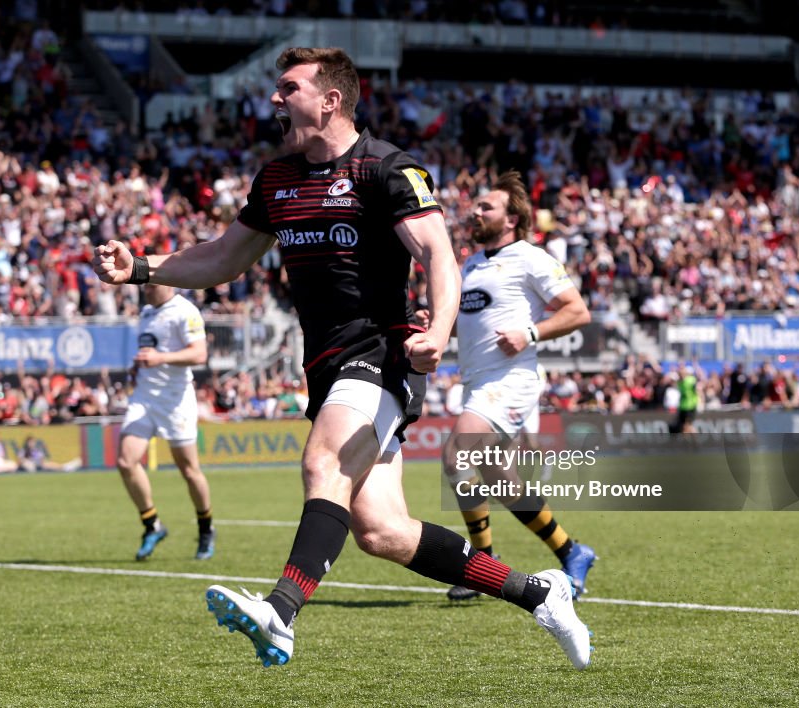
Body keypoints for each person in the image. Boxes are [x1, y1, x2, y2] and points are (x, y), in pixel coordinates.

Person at [93, 47, 591, 670]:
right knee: (382, 531)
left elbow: (438, 253)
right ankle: (538, 592)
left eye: (288, 88)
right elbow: (223, 257)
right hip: (326, 364)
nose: (275, 99)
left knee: (322, 460)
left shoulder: (386, 169)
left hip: (382, 351)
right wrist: (142, 268)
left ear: (330, 100)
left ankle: (280, 612)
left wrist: (437, 331)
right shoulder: (276, 178)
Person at [436, 171, 597, 601]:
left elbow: (577, 312)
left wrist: (530, 332)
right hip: (478, 384)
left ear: (511, 219)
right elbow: (472, 326)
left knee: (455, 457)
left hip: (511, 381)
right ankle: (572, 550)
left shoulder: (530, 257)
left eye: (486, 206)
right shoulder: (471, 263)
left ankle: (481, 567)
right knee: (498, 479)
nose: (475, 210)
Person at [117, 283, 215, 562]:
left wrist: (160, 358)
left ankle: (206, 528)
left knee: (189, 470)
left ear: (168, 282)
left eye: (151, 282)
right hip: (144, 397)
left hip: (175, 400)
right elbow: (151, 349)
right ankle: (152, 525)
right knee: (126, 461)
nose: (145, 287)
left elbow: (199, 354)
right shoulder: (147, 313)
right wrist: (137, 367)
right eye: (143, 282)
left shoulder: (186, 311)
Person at [18, 435, 82, 472]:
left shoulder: (36, 450)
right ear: (27, 443)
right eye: (30, 442)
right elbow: (20, 460)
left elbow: (41, 459)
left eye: (33, 442)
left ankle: (65, 467)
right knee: (29, 464)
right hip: (30, 466)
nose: (31, 444)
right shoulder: (23, 450)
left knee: (47, 464)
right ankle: (65, 467)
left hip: (39, 466)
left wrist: (40, 461)